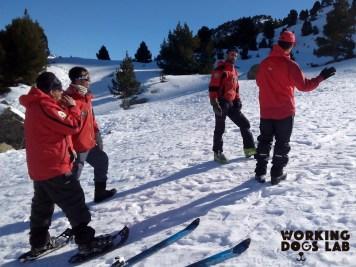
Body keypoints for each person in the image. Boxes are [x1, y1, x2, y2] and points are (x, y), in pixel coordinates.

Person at [19, 72, 112, 255]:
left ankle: (39, 243)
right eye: (58, 90)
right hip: (55, 165)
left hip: (40, 167)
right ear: (51, 90)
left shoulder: (34, 105)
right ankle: (87, 242)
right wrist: (72, 108)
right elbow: (72, 126)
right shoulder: (46, 105)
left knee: (42, 207)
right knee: (74, 202)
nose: (61, 93)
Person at [254, 31, 336, 185]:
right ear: (292, 45)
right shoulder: (291, 65)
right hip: (284, 111)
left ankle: (260, 172)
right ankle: (276, 174)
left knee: (264, 141)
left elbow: (259, 82)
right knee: (281, 143)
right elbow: (304, 86)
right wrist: (321, 77)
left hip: (266, 111)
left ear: (278, 43)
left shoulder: (264, 64)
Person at [65, 66, 116, 203]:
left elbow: (90, 118)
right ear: (77, 80)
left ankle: (100, 193)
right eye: (86, 78)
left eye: (89, 77)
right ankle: (73, 204)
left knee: (102, 161)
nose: (89, 80)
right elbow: (67, 124)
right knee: (74, 177)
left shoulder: (86, 96)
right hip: (77, 146)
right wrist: (69, 148)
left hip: (89, 143)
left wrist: (97, 133)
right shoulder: (69, 99)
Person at [209, 48, 256, 163]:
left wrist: (238, 100)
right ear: (227, 55)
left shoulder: (234, 70)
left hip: (232, 104)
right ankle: (217, 153)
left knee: (245, 124)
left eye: (235, 55)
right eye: (231, 54)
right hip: (221, 103)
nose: (233, 57)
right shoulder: (220, 69)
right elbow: (213, 87)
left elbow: (236, 88)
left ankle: (249, 150)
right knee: (220, 129)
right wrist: (215, 103)